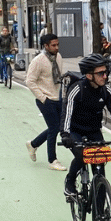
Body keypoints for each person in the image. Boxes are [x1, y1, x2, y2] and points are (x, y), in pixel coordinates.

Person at [60, 54, 111, 199]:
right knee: (82, 156)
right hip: (75, 131)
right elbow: (66, 113)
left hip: (94, 131)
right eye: (101, 73)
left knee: (99, 167)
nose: (105, 76)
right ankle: (70, 180)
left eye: (106, 72)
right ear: (89, 75)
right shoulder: (77, 90)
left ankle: (101, 215)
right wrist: (65, 135)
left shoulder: (106, 91)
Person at [25, 33, 67, 171]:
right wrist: (43, 98)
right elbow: (29, 81)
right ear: (46, 46)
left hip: (57, 97)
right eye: (53, 45)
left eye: (58, 44)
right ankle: (52, 160)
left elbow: (59, 77)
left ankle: (33, 144)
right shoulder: (38, 61)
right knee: (55, 128)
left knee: (57, 127)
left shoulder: (58, 57)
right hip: (45, 100)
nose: (57, 47)